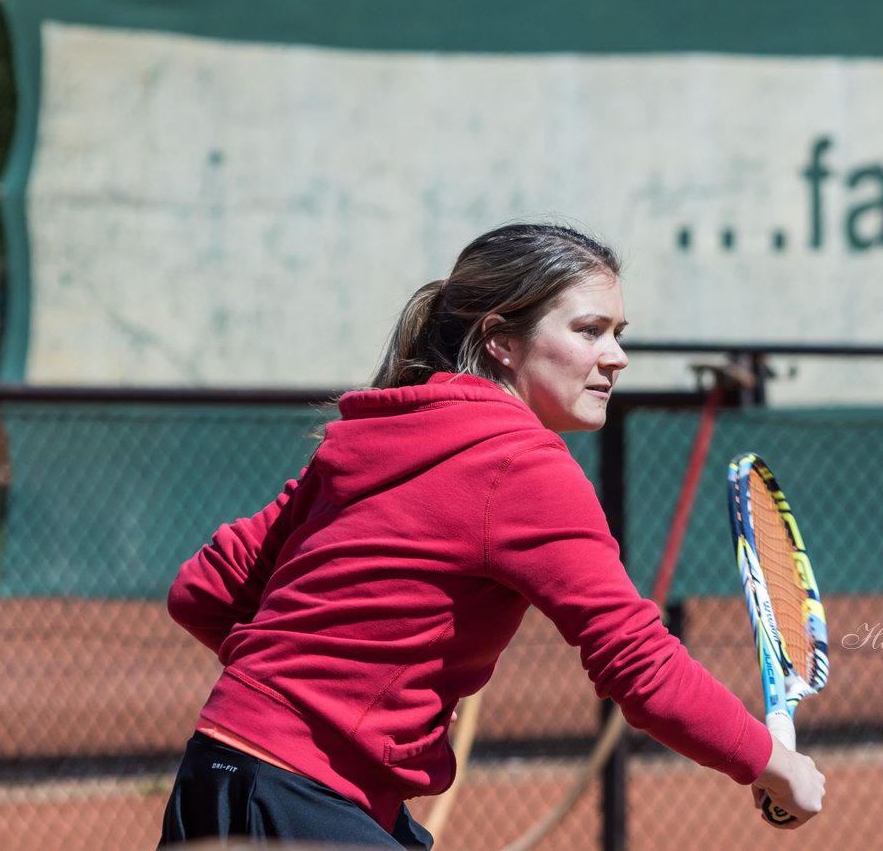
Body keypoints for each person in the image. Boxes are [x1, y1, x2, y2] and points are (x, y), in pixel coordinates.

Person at [159, 222, 825, 848]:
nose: (616, 357)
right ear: (501, 340)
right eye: (590, 331)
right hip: (302, 799)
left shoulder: (371, 429)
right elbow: (639, 664)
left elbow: (203, 591)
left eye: (618, 333)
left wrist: (299, 698)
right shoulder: (526, 467)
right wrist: (773, 764)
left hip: (215, 775)